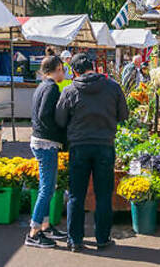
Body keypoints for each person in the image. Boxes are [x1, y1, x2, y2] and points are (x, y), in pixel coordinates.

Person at [56, 53, 129, 252]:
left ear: (75, 71)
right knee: (104, 194)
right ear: (94, 67)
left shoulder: (70, 90)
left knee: (76, 195)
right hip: (104, 146)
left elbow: (60, 119)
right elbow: (124, 114)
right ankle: (102, 238)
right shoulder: (113, 87)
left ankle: (75, 240)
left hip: (79, 146)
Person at [25, 56, 68, 248]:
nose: (64, 73)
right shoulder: (51, 88)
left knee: (48, 187)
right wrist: (60, 133)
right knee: (46, 189)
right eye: (62, 69)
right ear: (56, 69)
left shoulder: (42, 85)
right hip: (46, 142)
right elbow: (44, 116)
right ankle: (33, 233)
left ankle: (45, 226)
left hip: (40, 140)